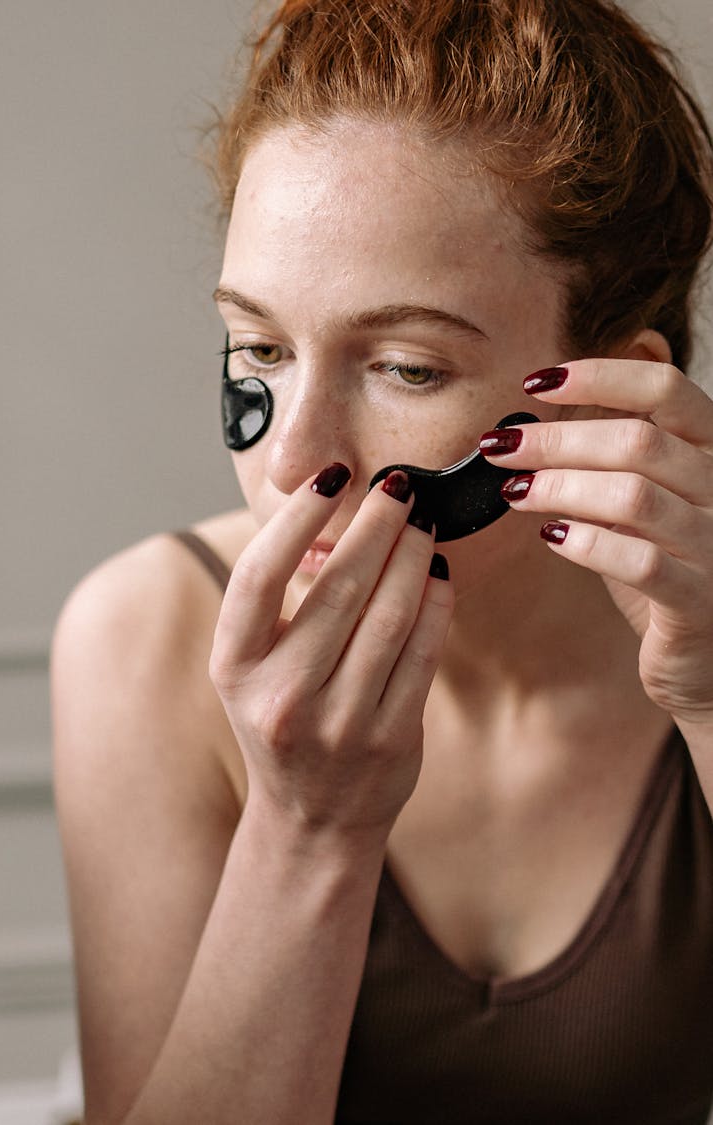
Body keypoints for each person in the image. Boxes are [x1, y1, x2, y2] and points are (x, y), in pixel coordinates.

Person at [50, 1, 713, 1122]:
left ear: (609, 390)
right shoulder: (140, 639)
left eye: (405, 367)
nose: (292, 457)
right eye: (259, 347)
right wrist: (309, 828)